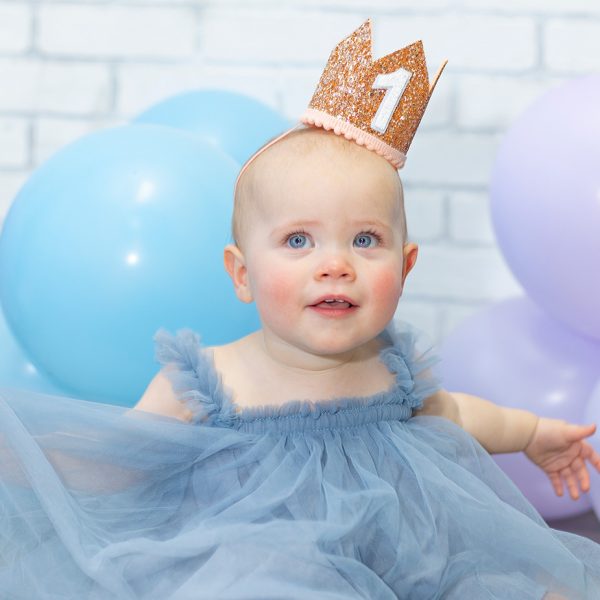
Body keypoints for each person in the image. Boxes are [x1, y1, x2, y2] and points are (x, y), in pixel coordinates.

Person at [1, 18, 600, 600]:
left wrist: (533, 432)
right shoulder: (206, 383)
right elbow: (114, 457)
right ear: (242, 274)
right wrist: (25, 458)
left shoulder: (392, 369)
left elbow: (459, 415)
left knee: (539, 587)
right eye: (297, 241)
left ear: (407, 266)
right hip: (258, 566)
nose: (335, 264)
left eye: (365, 240)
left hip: (411, 558)